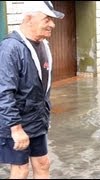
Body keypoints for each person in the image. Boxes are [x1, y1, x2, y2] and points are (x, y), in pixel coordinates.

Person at [0, 1, 64, 179]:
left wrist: (44, 117)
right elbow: (4, 93)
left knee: (43, 163)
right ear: (28, 18)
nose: (52, 24)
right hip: (17, 122)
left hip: (37, 120)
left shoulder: (43, 45)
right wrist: (15, 128)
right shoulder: (11, 48)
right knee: (21, 169)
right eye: (47, 19)